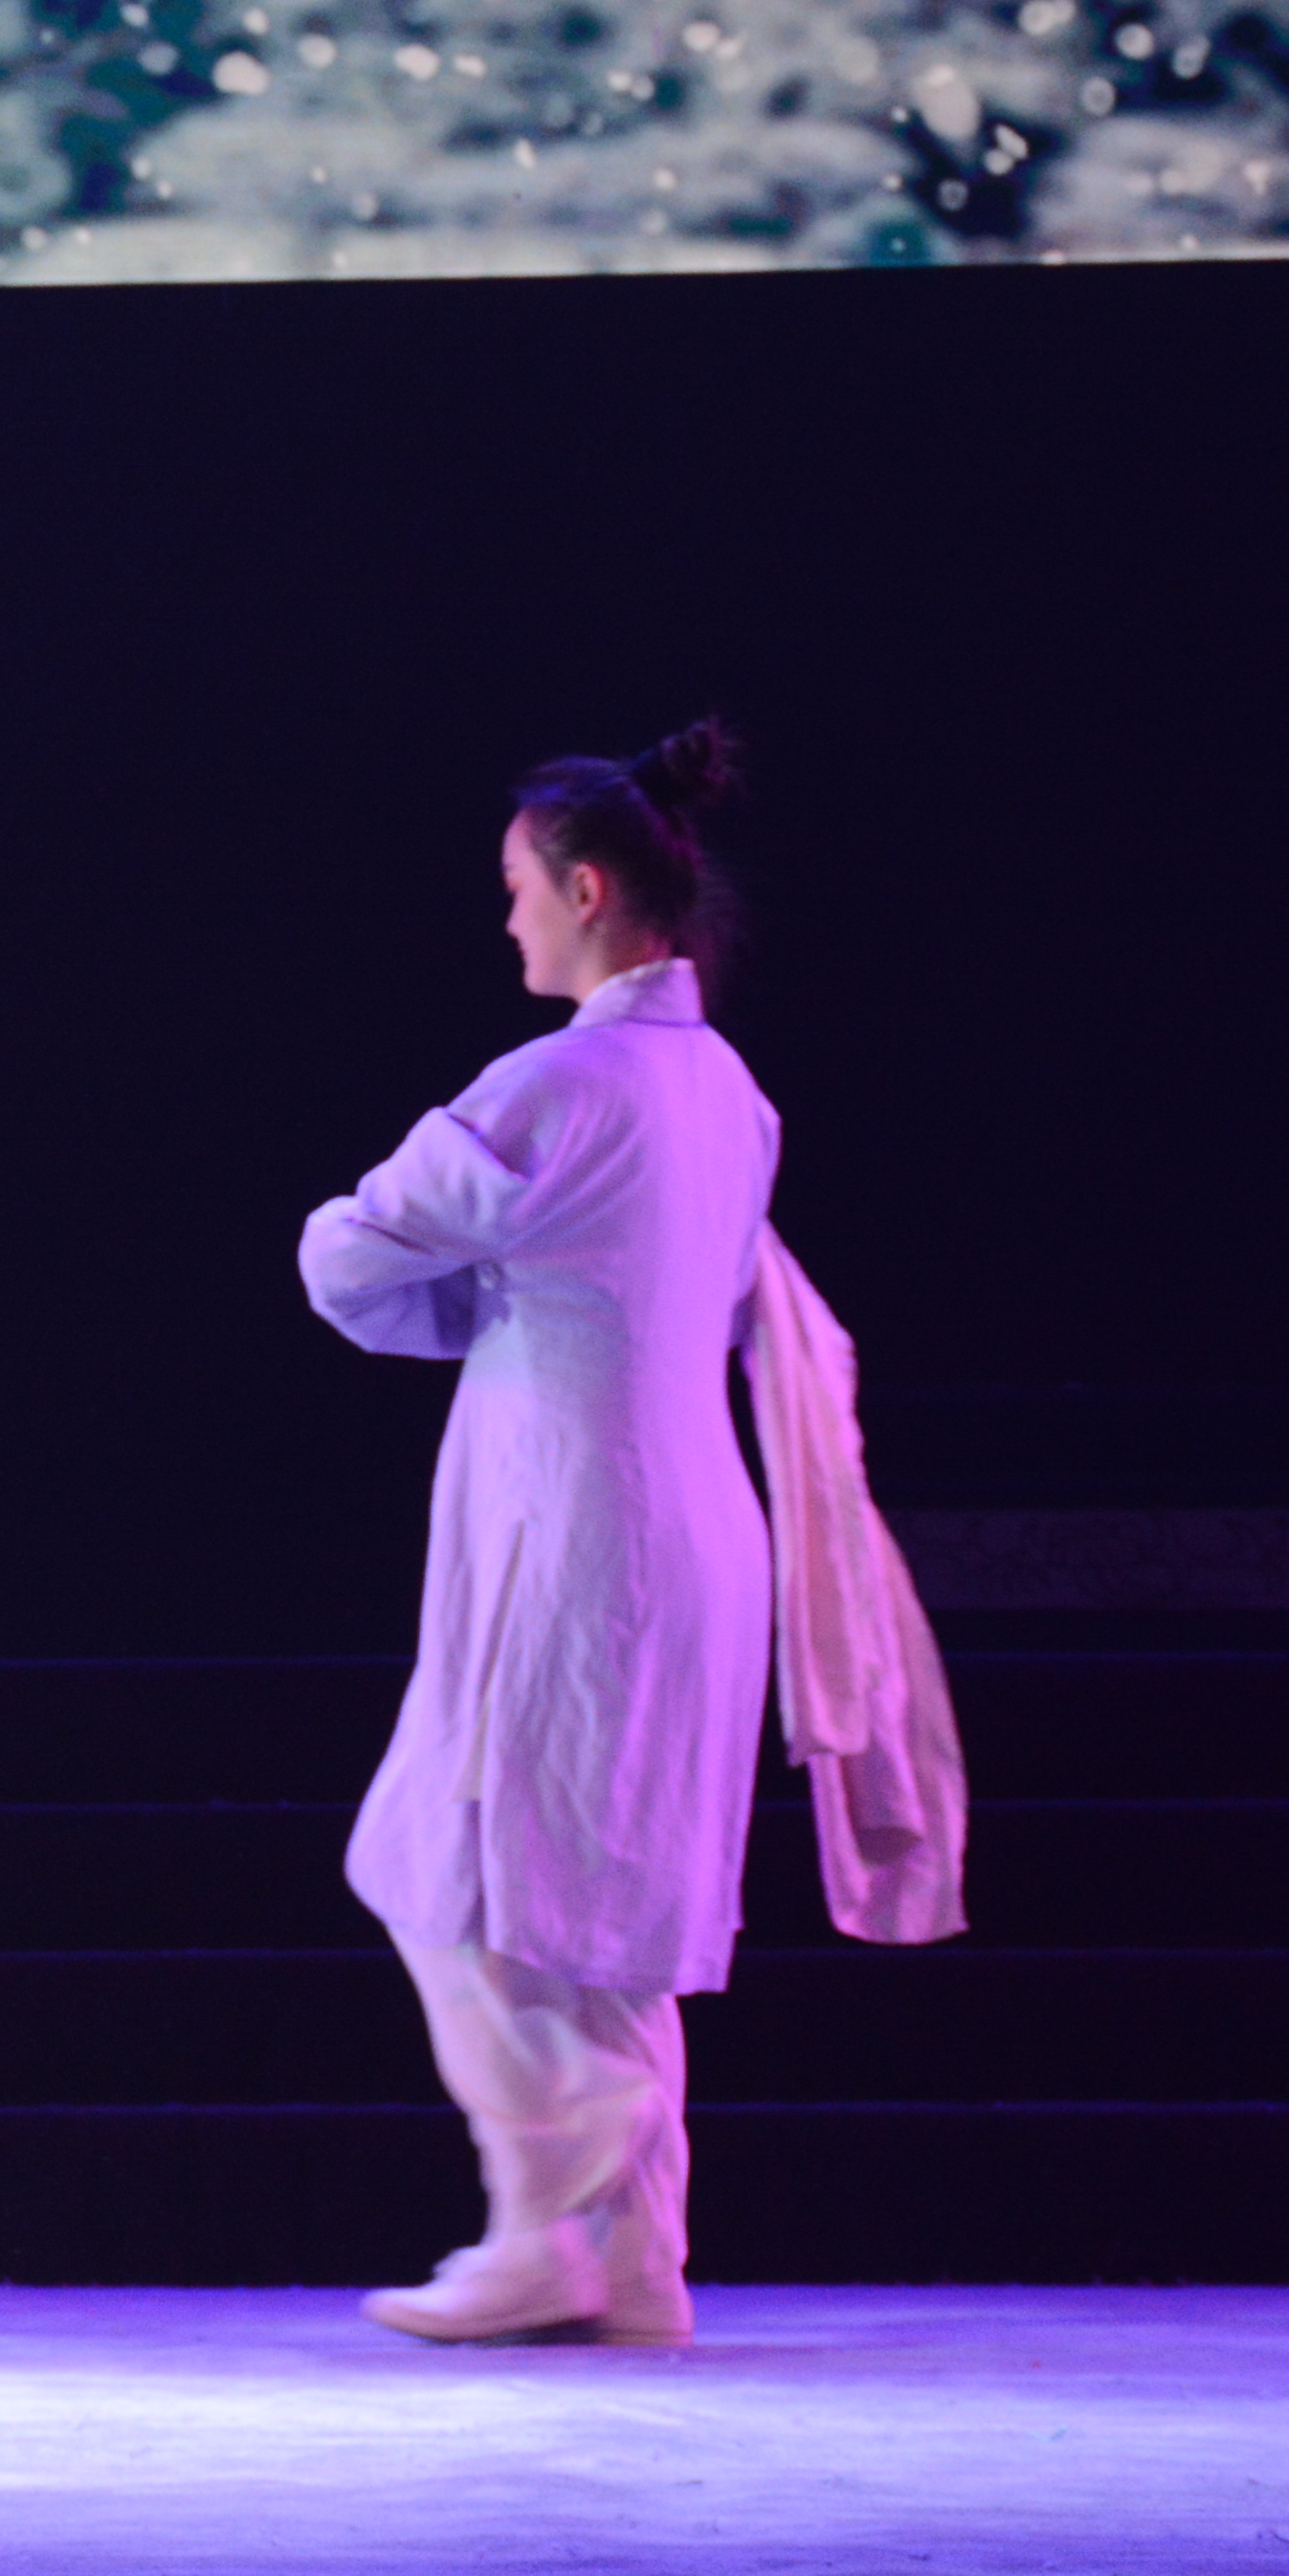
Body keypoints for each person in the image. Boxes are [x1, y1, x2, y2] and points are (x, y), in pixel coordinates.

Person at [298, 725, 771, 2346]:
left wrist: (470, 1310)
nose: (504, 918)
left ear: (585, 891)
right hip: (697, 1521)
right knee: (606, 1910)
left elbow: (351, 1251)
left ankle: (553, 2177)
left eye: (516, 887)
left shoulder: (561, 1084)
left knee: (439, 1857)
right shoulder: (730, 1094)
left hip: (573, 1523)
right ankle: (631, 2259)